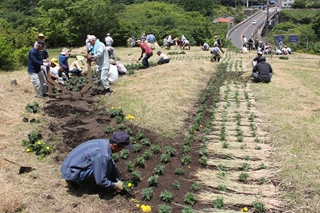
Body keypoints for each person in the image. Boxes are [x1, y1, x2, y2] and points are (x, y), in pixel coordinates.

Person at [60, 132, 134, 191]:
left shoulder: (104, 143)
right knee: (106, 168)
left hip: (69, 164)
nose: (121, 150)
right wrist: (114, 185)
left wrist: (118, 179)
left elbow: (111, 162)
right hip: (70, 171)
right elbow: (100, 181)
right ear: (114, 146)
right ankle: (73, 180)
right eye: (122, 148)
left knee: (108, 164)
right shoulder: (102, 155)